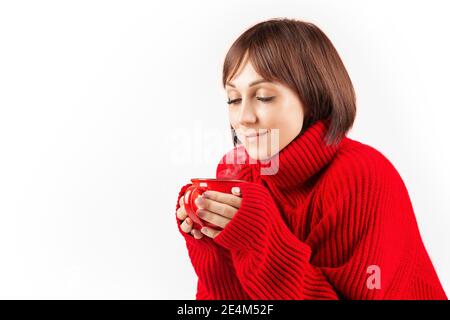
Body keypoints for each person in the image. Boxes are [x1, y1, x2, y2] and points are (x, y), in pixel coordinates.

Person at [175, 18, 447, 300]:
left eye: (264, 96)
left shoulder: (363, 176)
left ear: (312, 95)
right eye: (233, 99)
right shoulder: (238, 171)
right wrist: (209, 244)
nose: (243, 118)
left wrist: (259, 238)